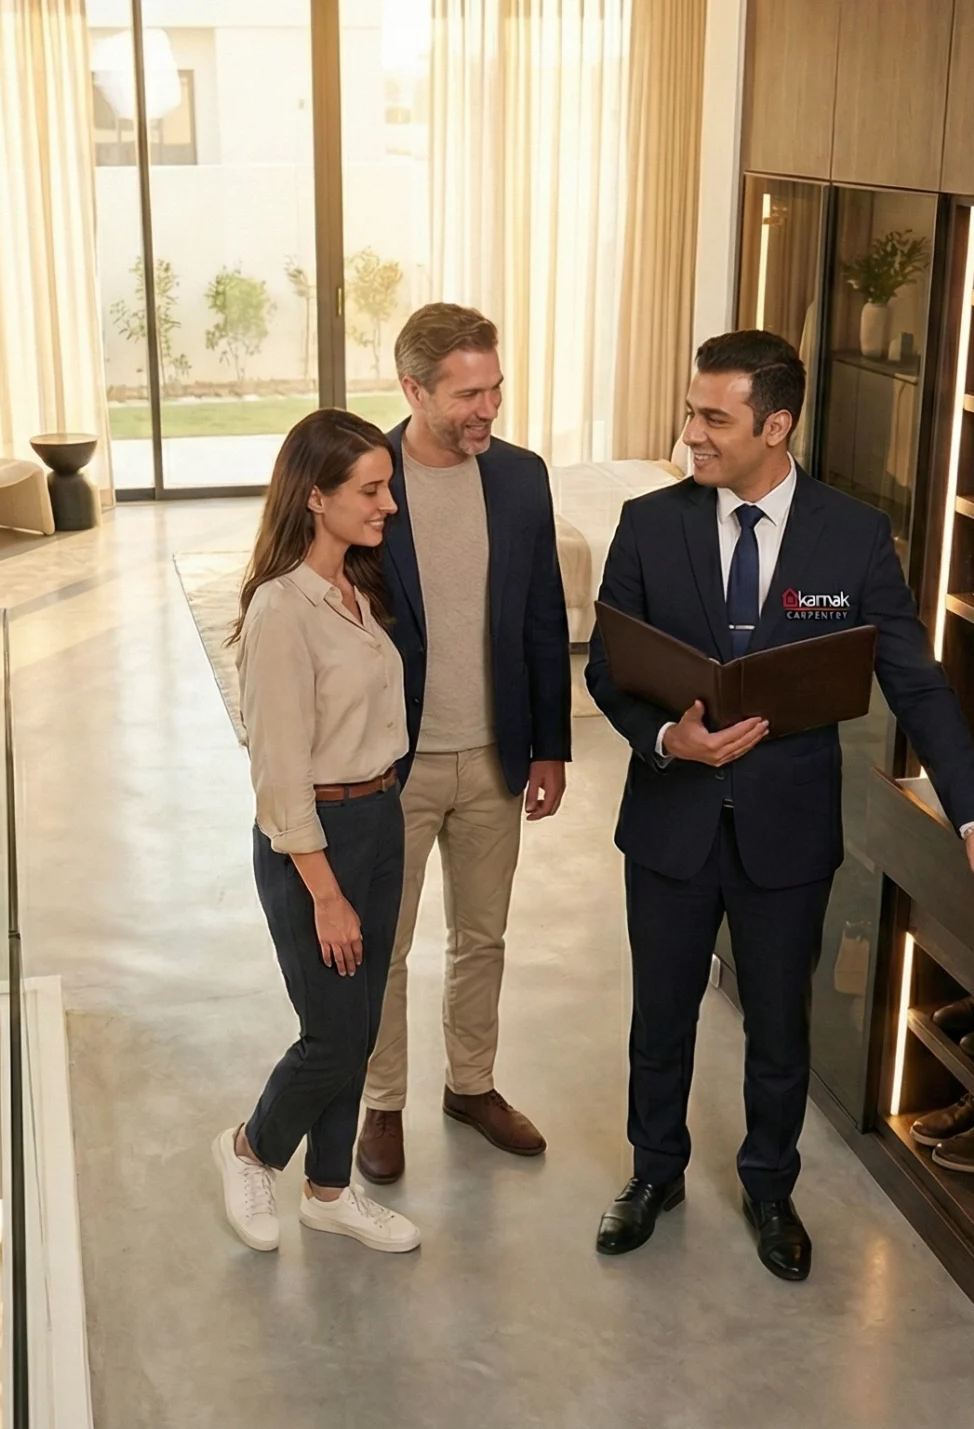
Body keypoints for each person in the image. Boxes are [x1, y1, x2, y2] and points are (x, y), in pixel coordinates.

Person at [586, 330, 974, 1281]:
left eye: (713, 417)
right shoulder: (645, 523)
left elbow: (917, 685)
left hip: (786, 834)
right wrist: (670, 738)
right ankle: (653, 1173)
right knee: (659, 1016)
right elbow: (609, 672)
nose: (691, 435)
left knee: (780, 1026)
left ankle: (768, 1186)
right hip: (670, 822)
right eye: (691, 411)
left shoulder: (853, 535)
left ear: (777, 423)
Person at [354, 303, 573, 1184]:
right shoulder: (363, 474)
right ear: (413, 390)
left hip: (495, 754)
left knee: (483, 936)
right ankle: (382, 1102)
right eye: (467, 393)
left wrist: (550, 745)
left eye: (495, 388)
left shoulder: (521, 477)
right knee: (386, 945)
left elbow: (542, 614)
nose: (488, 408)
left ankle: (471, 1086)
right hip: (388, 763)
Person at [213, 409, 421, 1256]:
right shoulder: (279, 610)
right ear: (315, 496)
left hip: (379, 815)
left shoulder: (356, 588)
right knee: (334, 1033)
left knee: (362, 1025)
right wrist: (325, 892)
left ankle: (329, 1191)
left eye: (388, 487)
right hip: (316, 838)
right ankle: (248, 1148)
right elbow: (279, 773)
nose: (388, 505)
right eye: (370, 490)